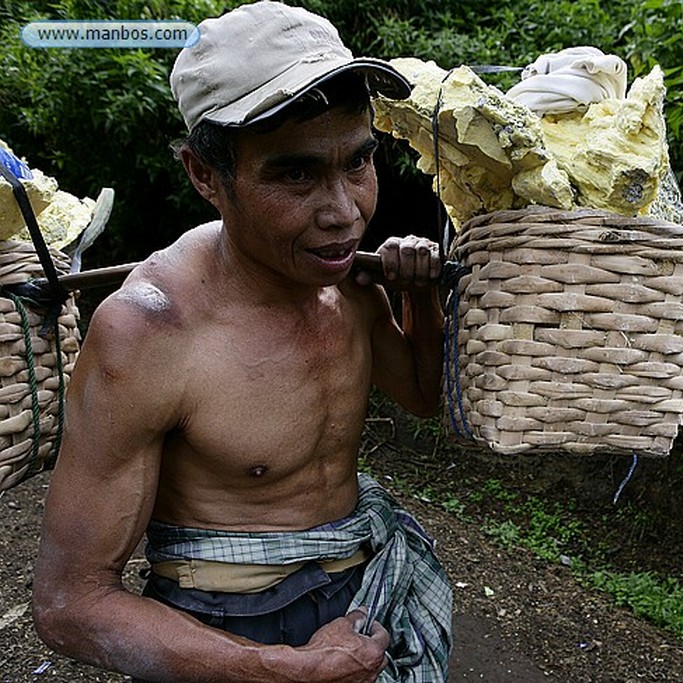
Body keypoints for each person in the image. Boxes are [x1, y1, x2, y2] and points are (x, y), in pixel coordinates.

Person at [31, 2, 452, 681]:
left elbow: (425, 395)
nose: (344, 212)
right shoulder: (149, 331)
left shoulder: (347, 281)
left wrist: (421, 295)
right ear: (205, 175)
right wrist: (284, 669)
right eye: (295, 174)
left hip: (358, 603)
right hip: (222, 632)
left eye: (358, 162)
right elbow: (70, 604)